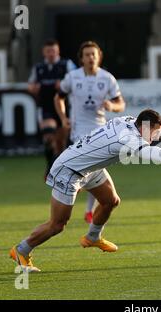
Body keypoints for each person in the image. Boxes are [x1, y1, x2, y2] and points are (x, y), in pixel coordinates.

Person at [9, 109, 161, 272]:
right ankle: (21, 250)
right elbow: (159, 155)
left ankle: (92, 237)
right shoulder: (128, 138)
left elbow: (157, 133)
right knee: (57, 225)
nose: (155, 136)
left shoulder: (131, 120)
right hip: (69, 170)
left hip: (91, 167)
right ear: (144, 127)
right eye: (154, 133)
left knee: (111, 201)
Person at [54, 41, 125, 224]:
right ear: (81, 58)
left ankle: (86, 211)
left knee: (93, 170)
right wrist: (63, 118)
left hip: (101, 132)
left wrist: (112, 106)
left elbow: (121, 104)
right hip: (79, 132)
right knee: (90, 171)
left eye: (93, 54)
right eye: (87, 55)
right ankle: (79, 209)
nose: (91, 58)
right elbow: (59, 97)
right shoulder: (72, 77)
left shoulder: (107, 78)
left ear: (99, 56)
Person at [28, 39, 76, 178]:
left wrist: (63, 85)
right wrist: (33, 88)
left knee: (60, 143)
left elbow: (75, 80)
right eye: (48, 51)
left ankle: (59, 168)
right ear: (44, 52)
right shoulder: (39, 68)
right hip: (46, 107)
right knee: (48, 135)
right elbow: (30, 85)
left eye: (53, 50)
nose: (51, 53)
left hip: (63, 108)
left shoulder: (66, 64)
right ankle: (50, 167)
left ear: (58, 51)